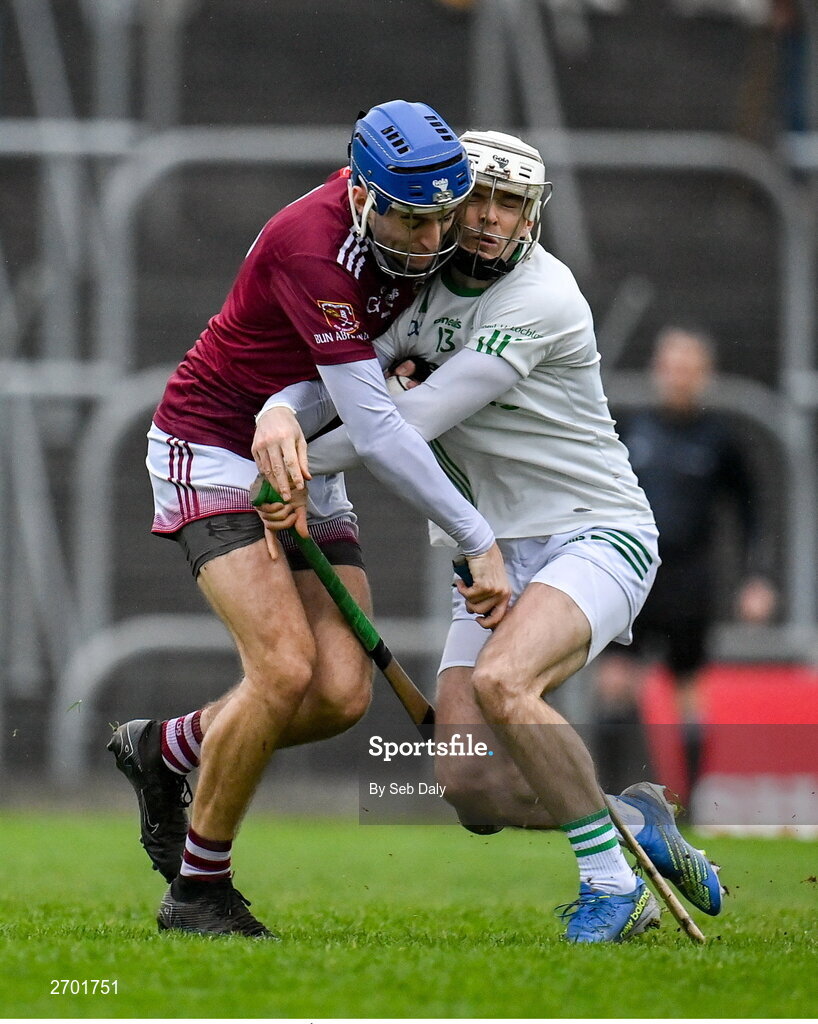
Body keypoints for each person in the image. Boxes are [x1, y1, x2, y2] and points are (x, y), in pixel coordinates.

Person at [264, 131, 725, 942]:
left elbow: (404, 422)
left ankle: (610, 885)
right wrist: (275, 418)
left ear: (531, 215)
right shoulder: (410, 281)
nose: (486, 218)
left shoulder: (544, 298)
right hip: (495, 556)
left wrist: (287, 467)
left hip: (596, 533)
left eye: (507, 203)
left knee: (509, 683)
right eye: (473, 197)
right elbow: (340, 379)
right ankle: (631, 818)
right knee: (469, 787)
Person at [107, 100, 511, 938]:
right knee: (284, 669)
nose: (431, 240)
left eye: (443, 217)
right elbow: (377, 426)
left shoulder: (423, 232)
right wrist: (479, 540)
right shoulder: (312, 247)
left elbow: (368, 378)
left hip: (305, 458)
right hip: (211, 446)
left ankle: (170, 748)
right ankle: (198, 891)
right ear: (363, 192)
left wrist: (287, 410)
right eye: (410, 218)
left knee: (334, 695)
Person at [593, 326, 777, 801]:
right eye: (672, 366)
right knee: (614, 684)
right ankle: (609, 802)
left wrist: (757, 578)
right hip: (633, 576)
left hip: (690, 581)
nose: (679, 377)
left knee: (688, 690)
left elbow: (752, 509)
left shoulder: (721, 441)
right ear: (659, 371)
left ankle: (691, 807)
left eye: (689, 368)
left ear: (704, 375)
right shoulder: (630, 429)